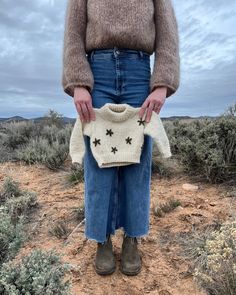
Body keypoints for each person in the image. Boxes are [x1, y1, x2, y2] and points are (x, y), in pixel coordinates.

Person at [62, 0, 180, 276]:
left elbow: (167, 33)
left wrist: (162, 83)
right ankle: (101, 238)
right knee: (98, 160)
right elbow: (73, 33)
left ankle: (132, 237)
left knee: (138, 162)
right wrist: (78, 82)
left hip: (139, 72)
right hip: (97, 72)